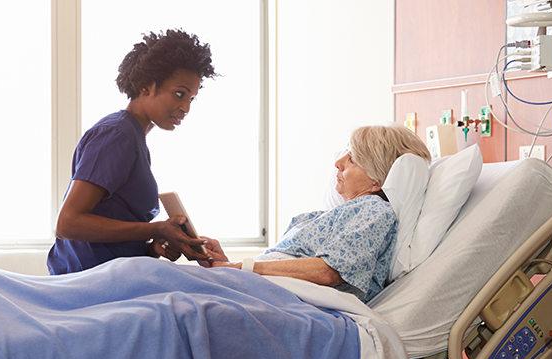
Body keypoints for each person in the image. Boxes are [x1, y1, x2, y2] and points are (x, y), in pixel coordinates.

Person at [47, 29, 218, 275]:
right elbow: (68, 224)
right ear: (146, 86)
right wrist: (156, 229)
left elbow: (111, 232)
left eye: (192, 98)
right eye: (180, 94)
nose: (186, 107)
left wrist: (152, 248)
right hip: (89, 283)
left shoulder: (132, 138)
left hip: (113, 277)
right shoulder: (117, 136)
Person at [205, 124, 431, 303]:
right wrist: (227, 265)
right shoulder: (334, 215)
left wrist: (241, 269)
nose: (337, 163)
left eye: (352, 160)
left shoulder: (374, 211)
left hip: (287, 303)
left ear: (376, 181)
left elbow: (329, 272)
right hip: (265, 291)